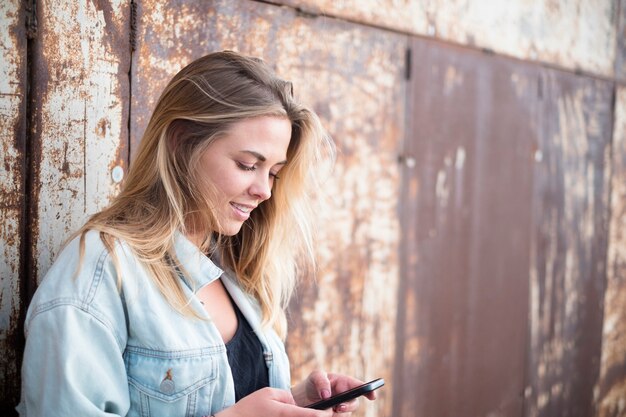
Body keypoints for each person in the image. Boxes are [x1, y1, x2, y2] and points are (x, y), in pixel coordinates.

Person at [18, 51, 376, 417]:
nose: (264, 190)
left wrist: (296, 403)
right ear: (182, 142)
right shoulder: (101, 269)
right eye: (248, 165)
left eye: (273, 173)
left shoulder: (236, 267)